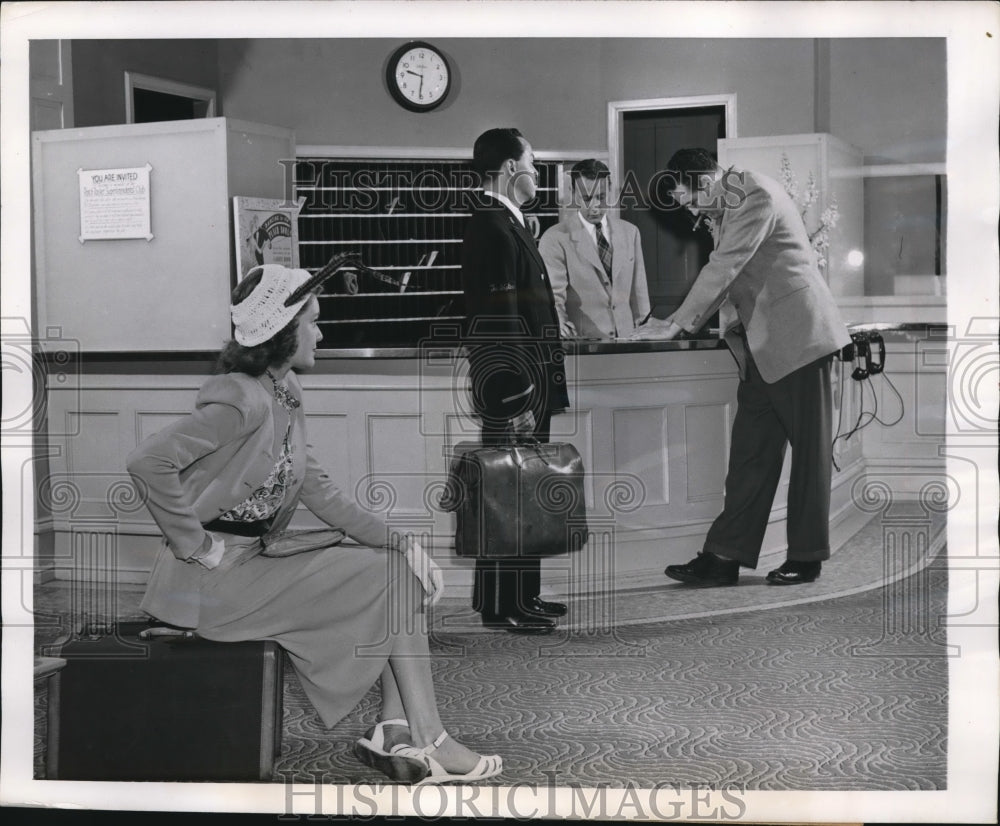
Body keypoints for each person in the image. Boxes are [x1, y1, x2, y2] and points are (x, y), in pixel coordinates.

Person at [126, 264, 501, 785]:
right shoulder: (240, 398)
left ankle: (394, 730)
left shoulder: (285, 392)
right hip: (213, 584)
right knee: (390, 578)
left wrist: (405, 542)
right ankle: (431, 738)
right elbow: (148, 462)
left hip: (251, 566)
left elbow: (319, 490)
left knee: (396, 566)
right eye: (314, 322)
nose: (321, 333)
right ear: (284, 333)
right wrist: (196, 545)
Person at [636, 148, 851, 587]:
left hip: (801, 340)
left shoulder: (752, 194)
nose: (692, 213)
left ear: (704, 180)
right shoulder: (735, 197)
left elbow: (727, 265)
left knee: (809, 456)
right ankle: (724, 556)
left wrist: (677, 323)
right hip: (764, 347)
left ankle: (807, 557)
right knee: (750, 456)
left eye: (690, 200)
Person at [460, 127, 570, 634]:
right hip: (515, 390)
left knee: (521, 493)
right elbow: (497, 320)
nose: (536, 169)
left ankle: (520, 596)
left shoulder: (508, 221)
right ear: (509, 169)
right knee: (508, 495)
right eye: (531, 159)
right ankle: (504, 606)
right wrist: (515, 393)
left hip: (529, 386)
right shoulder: (490, 224)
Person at [539, 159, 651, 339]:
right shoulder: (555, 238)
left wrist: (645, 336)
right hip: (583, 347)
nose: (595, 207)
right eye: (587, 198)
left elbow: (640, 295)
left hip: (629, 344)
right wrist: (559, 323)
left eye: (601, 197)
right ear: (573, 193)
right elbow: (553, 298)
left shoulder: (630, 233)